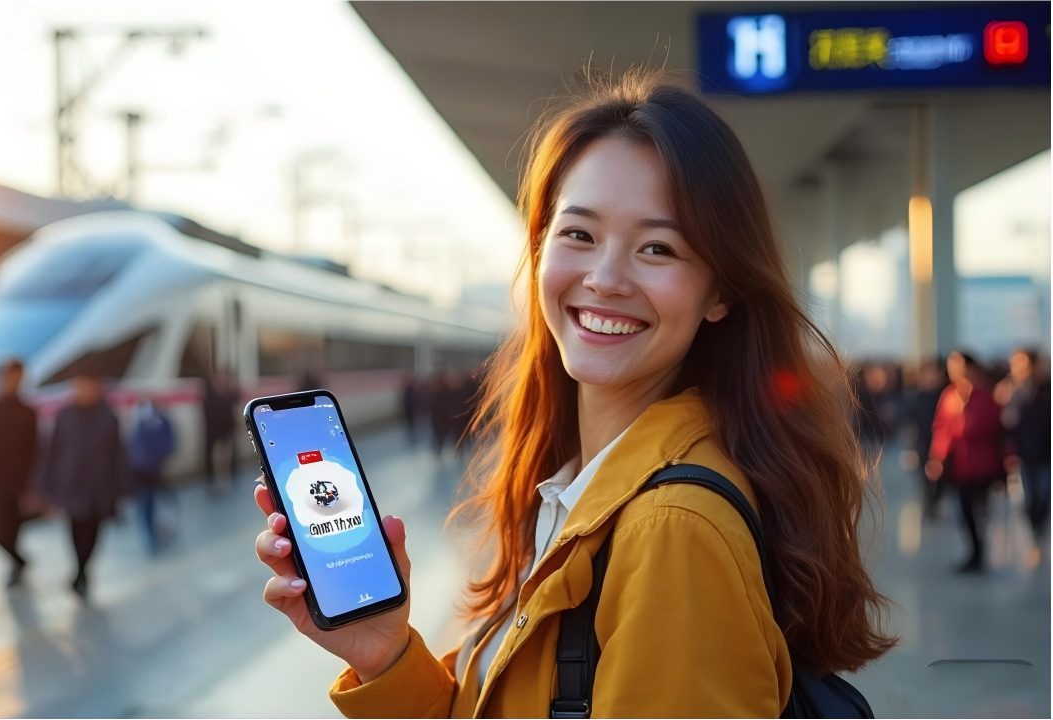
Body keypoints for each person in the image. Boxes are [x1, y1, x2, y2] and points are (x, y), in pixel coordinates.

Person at [252, 71, 894, 717]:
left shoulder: (671, 531)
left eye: (657, 247)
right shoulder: (581, 494)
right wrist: (384, 654)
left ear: (721, 292)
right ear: (539, 250)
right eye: (579, 235)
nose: (605, 278)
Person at [39, 368, 127, 597]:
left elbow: (117, 454)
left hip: (99, 487)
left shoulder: (108, 416)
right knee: (75, 529)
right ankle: (80, 570)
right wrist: (46, 487)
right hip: (71, 485)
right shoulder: (65, 415)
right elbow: (52, 452)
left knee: (93, 531)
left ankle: (82, 569)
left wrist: (120, 489)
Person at [927, 351, 1004, 573]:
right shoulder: (949, 395)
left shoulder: (985, 396)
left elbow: (988, 427)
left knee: (978, 508)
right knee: (964, 509)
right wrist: (937, 457)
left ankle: (979, 552)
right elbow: (942, 428)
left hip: (983, 463)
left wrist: (963, 424)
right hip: (961, 464)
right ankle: (975, 551)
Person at [0, 359, 39, 587]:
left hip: (18, 481)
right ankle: (19, 560)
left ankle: (16, 565)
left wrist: (30, 481)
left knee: (13, 527)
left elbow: (33, 449)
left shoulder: (28, 413)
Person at [1001, 349, 1051, 566]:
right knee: (1031, 498)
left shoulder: (1044, 389)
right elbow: (1007, 424)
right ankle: (1036, 538)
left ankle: (1039, 534)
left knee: (1043, 497)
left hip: (1045, 453)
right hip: (1026, 454)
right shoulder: (1013, 392)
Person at [129, 397, 176, 554]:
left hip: (158, 473)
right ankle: (152, 537)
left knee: (164, 505)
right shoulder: (140, 424)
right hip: (142, 475)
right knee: (146, 506)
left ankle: (163, 534)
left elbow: (170, 445)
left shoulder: (161, 423)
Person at [907, 358, 947, 520]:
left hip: (941, 443)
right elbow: (912, 423)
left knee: (941, 477)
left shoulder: (945, 394)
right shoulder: (918, 396)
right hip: (923, 443)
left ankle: (935, 501)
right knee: (924, 477)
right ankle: (929, 505)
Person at [202, 371, 238, 488]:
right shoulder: (211, 396)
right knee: (217, 455)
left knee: (226, 455)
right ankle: (217, 478)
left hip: (226, 429)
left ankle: (226, 477)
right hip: (216, 430)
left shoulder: (226, 394)